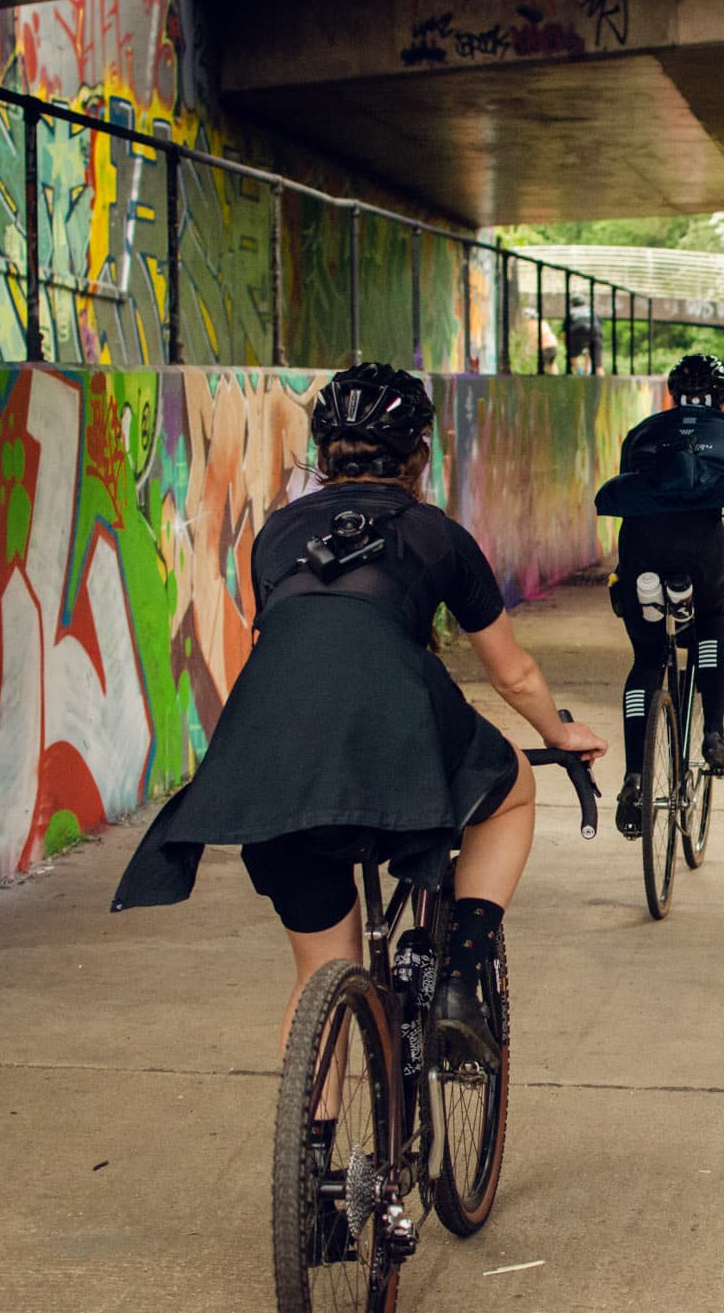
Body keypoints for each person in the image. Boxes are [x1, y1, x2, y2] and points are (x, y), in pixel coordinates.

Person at [110, 362, 605, 1058]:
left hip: (263, 755)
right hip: (389, 735)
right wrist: (560, 732)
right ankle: (462, 977)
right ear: (420, 456)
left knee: (321, 970)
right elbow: (513, 674)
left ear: (321, 453)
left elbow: (308, 646)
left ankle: (312, 1155)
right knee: (513, 790)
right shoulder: (436, 534)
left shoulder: (276, 533)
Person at [594, 353, 724, 838]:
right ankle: (713, 732)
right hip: (702, 549)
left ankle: (634, 776)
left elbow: (633, 496)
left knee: (648, 658)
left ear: (671, 397)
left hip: (642, 547)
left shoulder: (644, 432)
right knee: (711, 622)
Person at [563, 292, 600, 374]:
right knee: (597, 364)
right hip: (594, 331)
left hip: (576, 332)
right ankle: (591, 372)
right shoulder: (591, 311)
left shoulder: (571, 312)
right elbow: (599, 326)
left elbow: (565, 333)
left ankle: (581, 373)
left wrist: (567, 347)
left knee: (572, 355)